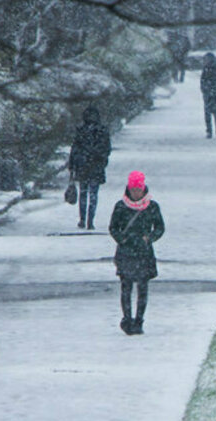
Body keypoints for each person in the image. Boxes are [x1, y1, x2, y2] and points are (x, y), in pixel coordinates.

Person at [109, 170, 165, 335]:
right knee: (125, 287)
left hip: (143, 252)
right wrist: (122, 239)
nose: (136, 193)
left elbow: (160, 227)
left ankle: (139, 320)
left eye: (138, 189)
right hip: (126, 252)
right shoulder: (120, 206)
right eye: (133, 189)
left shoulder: (152, 207)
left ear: (143, 188)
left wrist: (150, 238)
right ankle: (127, 318)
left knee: (142, 287)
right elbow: (113, 227)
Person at [68, 105, 112, 230]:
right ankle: (90, 220)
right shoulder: (102, 131)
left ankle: (83, 219)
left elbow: (74, 149)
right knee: (93, 194)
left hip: (83, 166)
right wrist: (101, 159)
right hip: (95, 166)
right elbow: (107, 149)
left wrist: (72, 165)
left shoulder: (81, 131)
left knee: (84, 193)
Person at [200, 52, 216, 138]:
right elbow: (202, 81)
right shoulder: (206, 69)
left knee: (215, 112)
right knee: (209, 112)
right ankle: (209, 130)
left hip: (215, 93)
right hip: (210, 93)